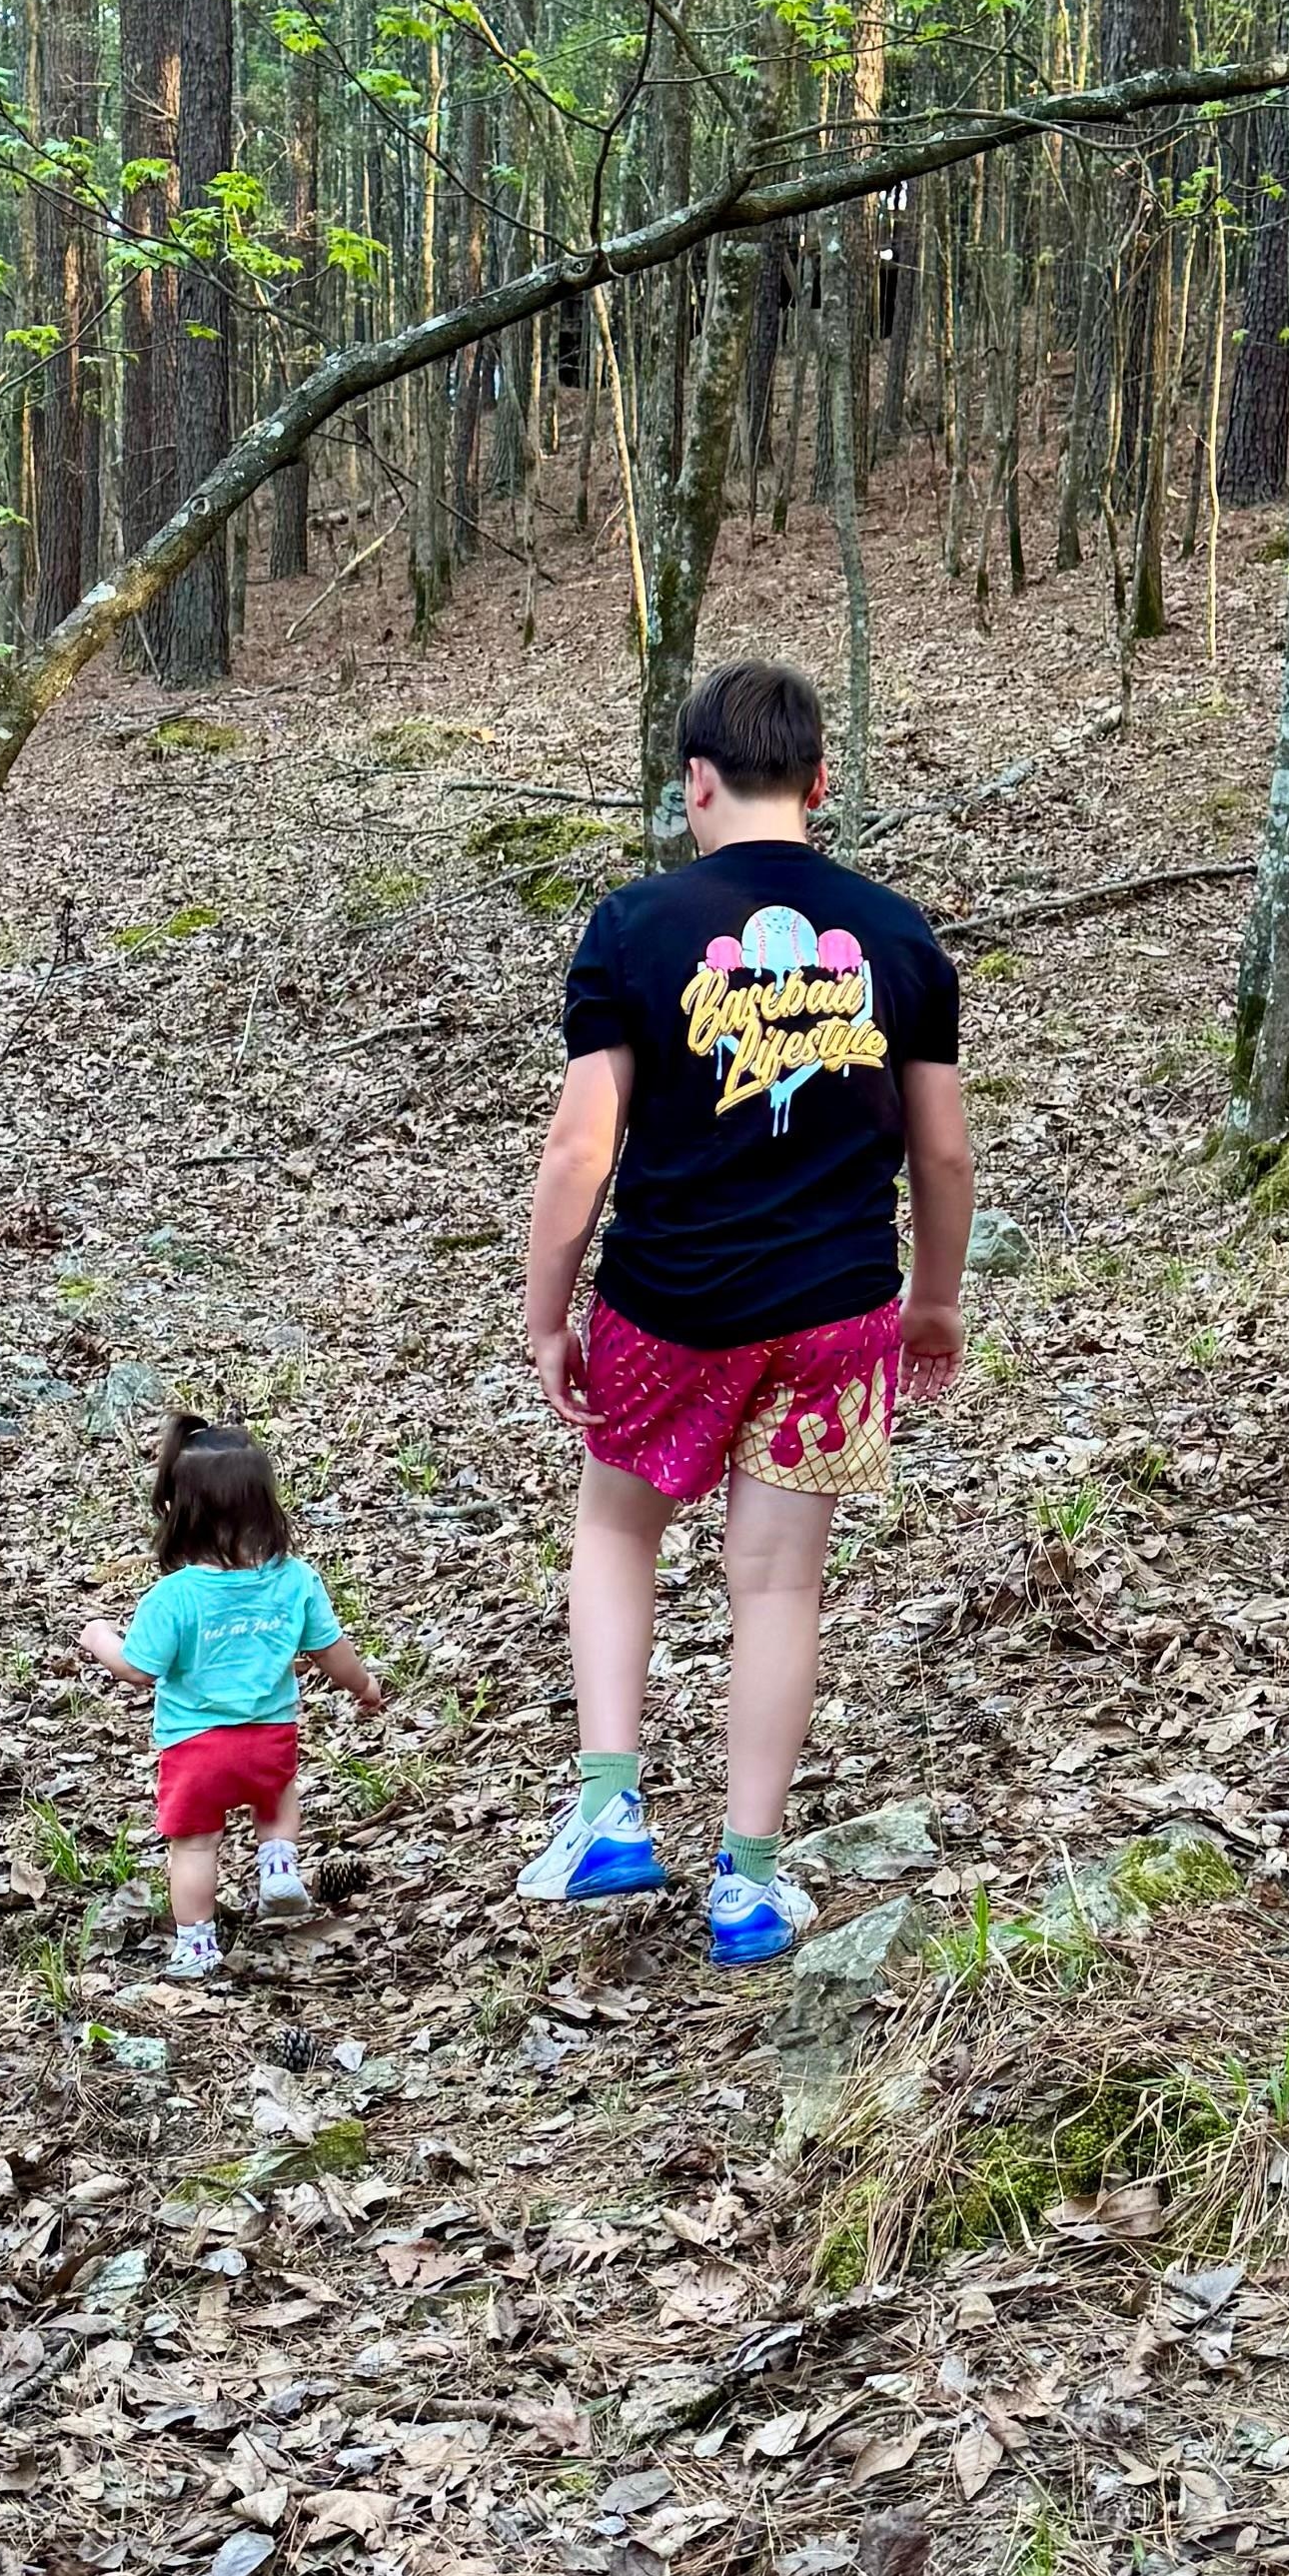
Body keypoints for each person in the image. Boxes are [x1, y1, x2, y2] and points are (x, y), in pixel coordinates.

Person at [516, 655, 970, 1966]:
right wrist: (931, 1302)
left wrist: (552, 1313)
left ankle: (609, 1807)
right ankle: (750, 1880)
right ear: (821, 783)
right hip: (837, 1312)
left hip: (669, 1300)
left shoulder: (633, 929)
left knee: (618, 1529)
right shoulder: (898, 937)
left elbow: (577, 1147)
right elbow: (941, 1154)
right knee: (778, 1584)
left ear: (695, 783)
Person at [93, 1413, 386, 1981]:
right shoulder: (294, 1579)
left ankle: (197, 1947)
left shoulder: (173, 1596)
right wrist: (365, 1686)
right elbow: (332, 1651)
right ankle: (279, 1867)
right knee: (277, 1798)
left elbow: (137, 1670)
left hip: (194, 1747)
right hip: (269, 1736)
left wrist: (100, 1637)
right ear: (263, 1504)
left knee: (195, 1848)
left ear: (180, 1512)